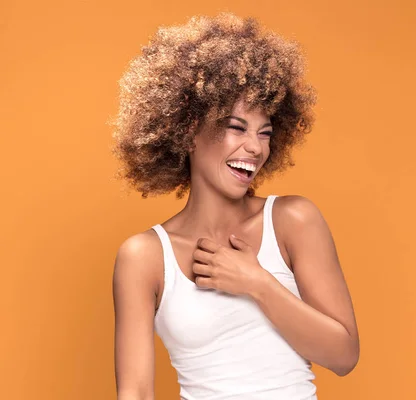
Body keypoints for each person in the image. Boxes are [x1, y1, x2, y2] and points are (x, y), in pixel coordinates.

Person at [110, 12, 359, 400]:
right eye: (237, 128)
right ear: (189, 129)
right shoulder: (144, 257)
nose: (256, 148)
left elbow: (344, 355)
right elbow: (136, 391)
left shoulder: (293, 220)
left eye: (265, 133)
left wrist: (257, 283)